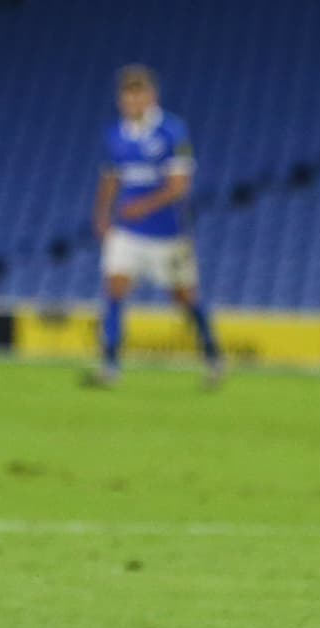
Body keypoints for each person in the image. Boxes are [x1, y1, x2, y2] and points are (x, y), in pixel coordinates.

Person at [89, 64, 221, 389]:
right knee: (115, 289)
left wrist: (142, 206)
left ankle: (213, 356)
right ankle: (110, 366)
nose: (132, 102)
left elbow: (180, 186)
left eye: (139, 95)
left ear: (151, 96)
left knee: (185, 298)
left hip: (168, 235)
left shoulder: (172, 132)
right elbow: (111, 177)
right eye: (127, 96)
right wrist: (102, 216)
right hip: (128, 232)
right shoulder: (115, 134)